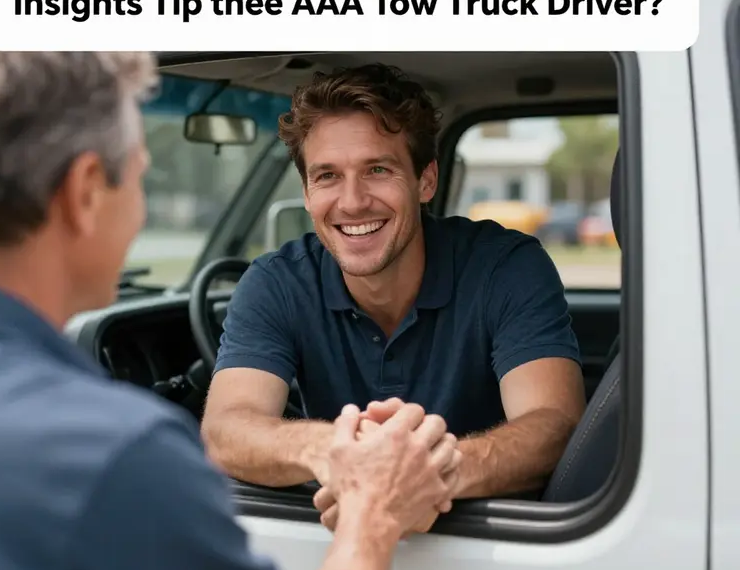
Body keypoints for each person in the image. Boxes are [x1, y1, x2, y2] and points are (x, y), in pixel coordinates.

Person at [0, 5, 463, 570]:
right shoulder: (112, 456)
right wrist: (373, 506)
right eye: (138, 179)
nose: (138, 213)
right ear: (83, 194)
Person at [203, 62, 587, 533]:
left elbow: (554, 425)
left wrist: (431, 474)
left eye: (377, 170)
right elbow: (226, 430)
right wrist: (339, 453)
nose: (352, 201)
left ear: (425, 181)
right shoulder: (275, 281)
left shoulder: (506, 266)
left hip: (496, 551)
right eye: (327, 176)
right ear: (305, 191)